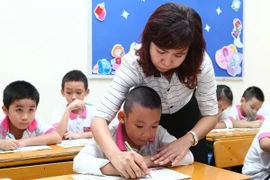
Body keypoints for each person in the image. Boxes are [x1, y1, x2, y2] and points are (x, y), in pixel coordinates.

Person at [91, 2, 218, 179]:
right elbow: (99, 120)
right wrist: (115, 156)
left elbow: (211, 114)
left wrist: (188, 140)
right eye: (161, 51)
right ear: (149, 41)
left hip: (190, 125)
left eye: (178, 55)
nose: (167, 61)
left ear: (189, 51)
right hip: (151, 124)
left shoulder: (201, 63)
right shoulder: (133, 63)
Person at [73, 86, 194, 176]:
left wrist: (147, 161)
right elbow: (79, 162)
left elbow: (188, 157)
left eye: (153, 126)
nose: (147, 134)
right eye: (139, 126)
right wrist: (119, 168)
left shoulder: (160, 133)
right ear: (122, 117)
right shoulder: (109, 135)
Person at [0, 80, 61, 150]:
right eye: (19, 110)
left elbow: (56, 137)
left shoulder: (37, 122)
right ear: (5, 110)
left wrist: (22, 142)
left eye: (31, 110)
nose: (25, 117)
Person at [52, 70, 96, 140]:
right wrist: (68, 110)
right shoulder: (58, 111)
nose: (74, 97)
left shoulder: (93, 111)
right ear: (62, 92)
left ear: (86, 92)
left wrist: (78, 135)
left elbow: (102, 132)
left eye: (78, 92)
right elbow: (57, 135)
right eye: (69, 92)